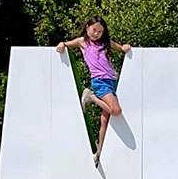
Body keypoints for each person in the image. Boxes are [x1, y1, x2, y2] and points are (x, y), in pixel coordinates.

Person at [56, 16, 131, 164]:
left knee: (105, 119)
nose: (96, 34)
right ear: (87, 27)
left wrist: (125, 47)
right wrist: (61, 45)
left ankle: (100, 151)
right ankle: (91, 97)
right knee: (115, 111)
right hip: (99, 82)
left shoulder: (105, 43)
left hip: (112, 81)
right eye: (94, 30)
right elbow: (65, 44)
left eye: (100, 32)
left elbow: (121, 47)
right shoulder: (82, 42)